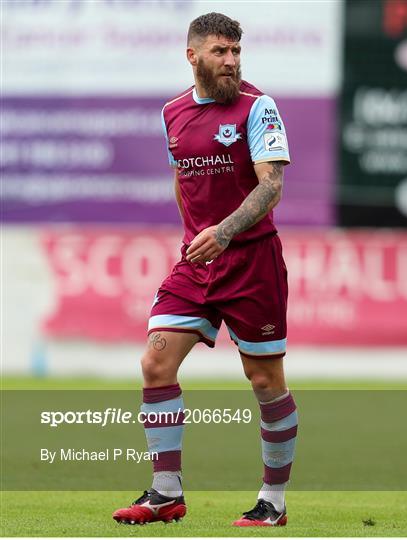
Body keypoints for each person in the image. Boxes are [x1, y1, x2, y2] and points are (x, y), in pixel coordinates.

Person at [113, 12, 297, 528]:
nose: (232, 62)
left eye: (237, 52)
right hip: (197, 263)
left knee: (264, 380)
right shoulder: (173, 112)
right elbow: (181, 179)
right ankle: (165, 493)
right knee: (155, 364)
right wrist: (195, 237)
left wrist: (223, 232)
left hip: (252, 261)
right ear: (192, 55)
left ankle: (273, 502)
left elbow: (271, 186)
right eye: (220, 52)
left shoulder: (258, 107)